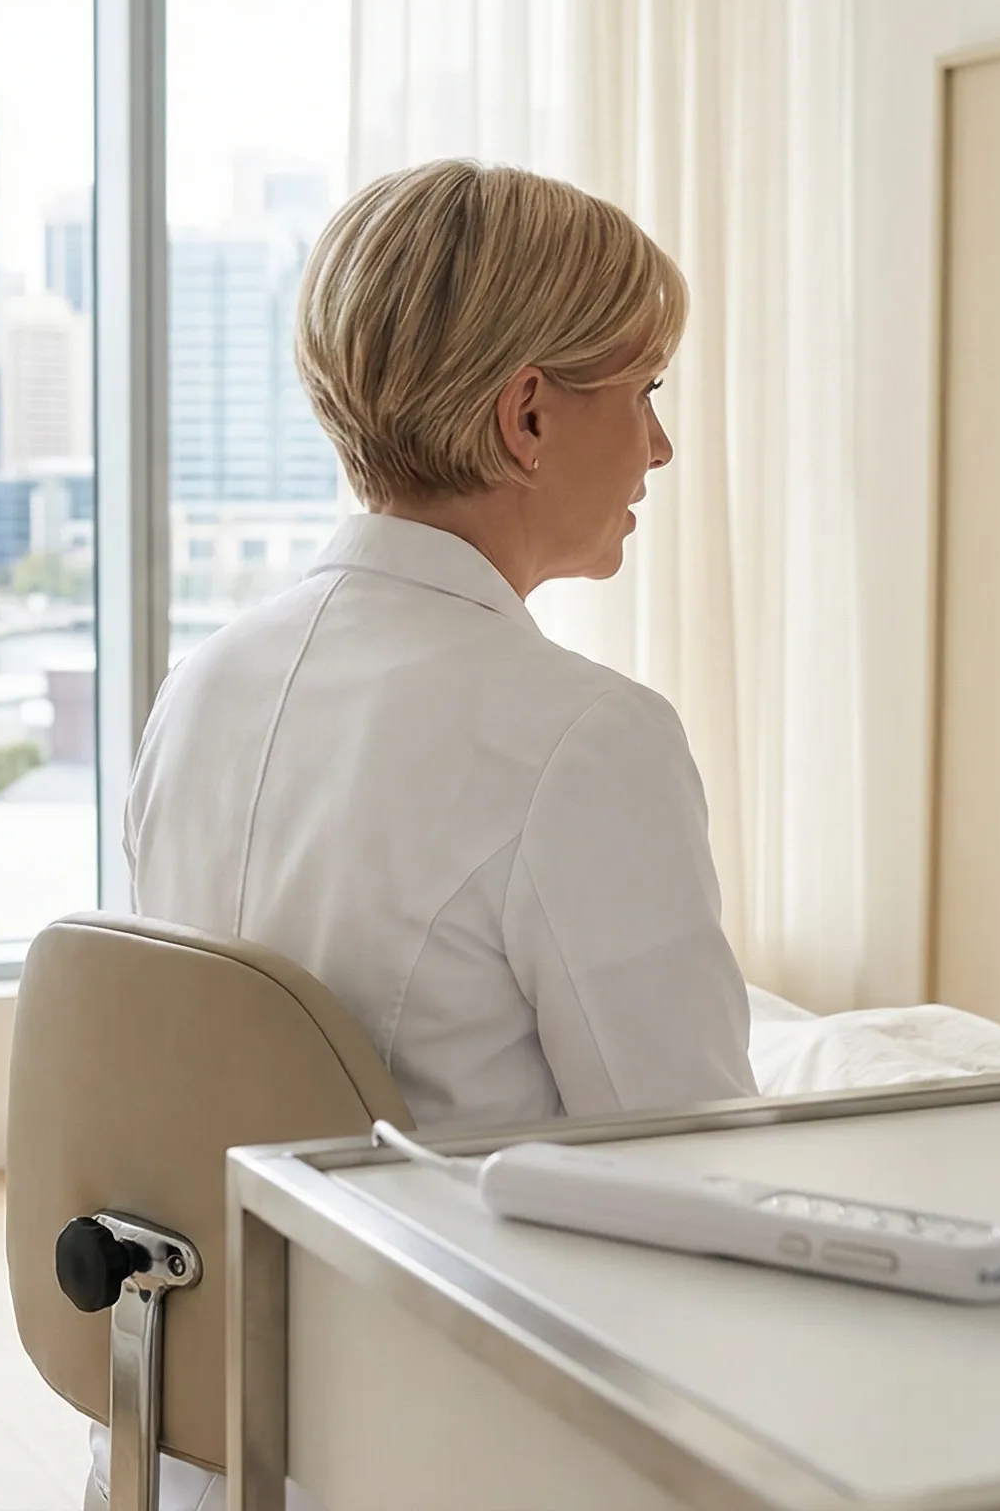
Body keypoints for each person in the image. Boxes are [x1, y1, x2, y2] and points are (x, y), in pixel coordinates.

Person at [95, 157, 757, 1511]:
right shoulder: (583, 738)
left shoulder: (202, 682)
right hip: (446, 1438)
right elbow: (690, 1173)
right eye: (642, 393)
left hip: (197, 1417)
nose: (661, 448)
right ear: (528, 417)